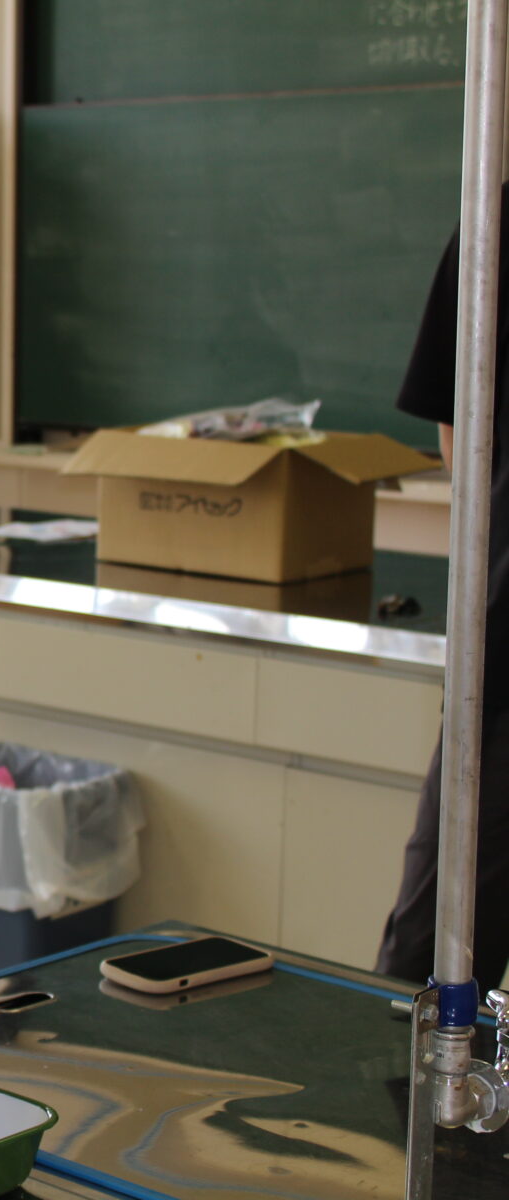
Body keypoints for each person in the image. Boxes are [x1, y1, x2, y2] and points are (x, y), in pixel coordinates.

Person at [376, 207, 509, 992]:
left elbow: (462, 446)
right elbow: (460, 429)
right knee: (430, 984)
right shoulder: (493, 226)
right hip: (502, 674)